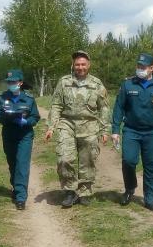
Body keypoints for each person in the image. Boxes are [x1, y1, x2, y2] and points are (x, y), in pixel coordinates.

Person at [111, 52, 153, 212]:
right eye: (138, 66)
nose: (139, 69)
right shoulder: (128, 84)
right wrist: (115, 130)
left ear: (151, 68)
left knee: (151, 167)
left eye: (143, 67)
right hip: (131, 131)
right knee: (128, 161)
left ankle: (150, 200)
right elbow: (119, 107)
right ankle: (129, 189)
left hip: (152, 133)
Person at [45, 50, 110, 208]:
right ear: (73, 65)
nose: (80, 67)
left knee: (87, 160)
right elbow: (56, 105)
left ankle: (85, 191)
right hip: (67, 124)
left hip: (89, 126)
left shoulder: (96, 84)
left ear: (89, 65)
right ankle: (69, 191)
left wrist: (105, 130)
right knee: (64, 159)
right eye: (77, 64)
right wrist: (51, 127)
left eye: (83, 64)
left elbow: (104, 108)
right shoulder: (64, 82)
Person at [0, 69, 40, 210]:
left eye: (13, 82)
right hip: (8, 133)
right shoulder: (2, 97)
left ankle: (21, 197)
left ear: (20, 82)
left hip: (24, 135)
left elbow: (35, 117)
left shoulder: (29, 99)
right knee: (12, 163)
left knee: (22, 165)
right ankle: (16, 186)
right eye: (9, 82)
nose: (11, 84)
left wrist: (26, 122)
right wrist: (5, 117)